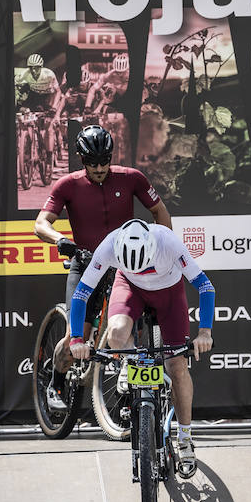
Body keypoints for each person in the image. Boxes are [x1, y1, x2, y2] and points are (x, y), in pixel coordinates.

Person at [34, 125, 171, 409]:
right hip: (86, 265)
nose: (99, 168)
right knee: (77, 337)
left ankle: (129, 384)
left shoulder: (132, 178)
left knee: (129, 328)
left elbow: (159, 211)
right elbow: (41, 224)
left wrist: (163, 244)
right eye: (92, 162)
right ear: (81, 159)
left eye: (104, 160)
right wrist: (60, 240)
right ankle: (56, 384)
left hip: (126, 265)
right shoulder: (68, 185)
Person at [68, 220, 214, 477]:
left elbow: (205, 286)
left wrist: (204, 333)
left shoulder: (168, 241)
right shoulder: (110, 244)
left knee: (177, 365)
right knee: (116, 334)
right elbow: (82, 293)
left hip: (169, 292)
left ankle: (185, 438)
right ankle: (129, 363)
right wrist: (77, 339)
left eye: (146, 265)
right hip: (130, 288)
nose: (144, 270)